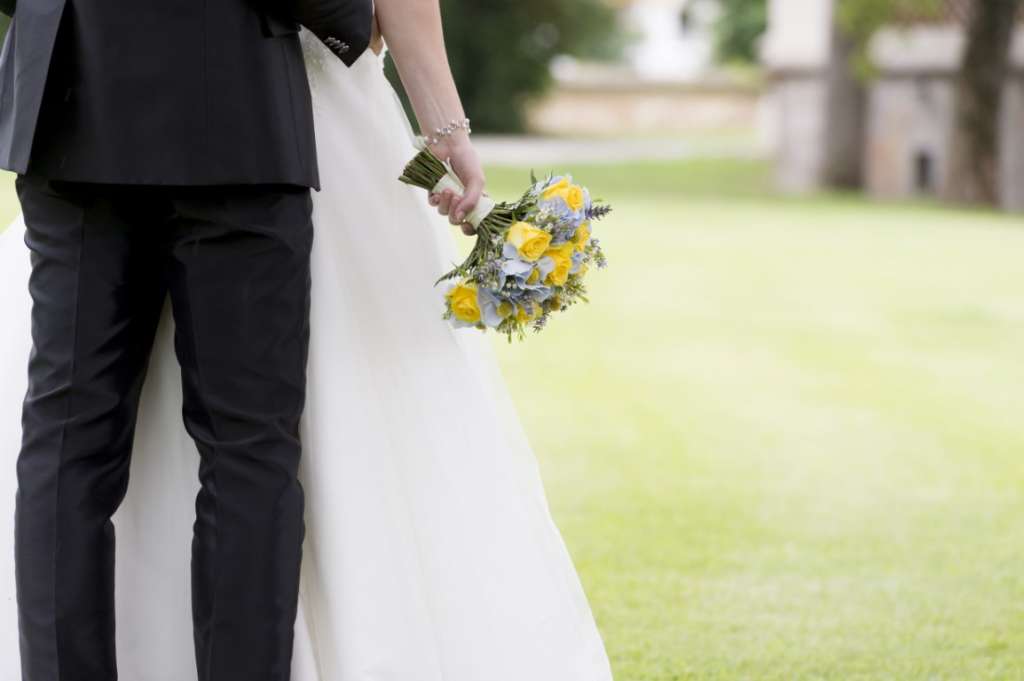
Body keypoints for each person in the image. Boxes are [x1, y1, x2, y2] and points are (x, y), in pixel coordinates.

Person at [0, 0, 614, 679]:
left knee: (67, 440)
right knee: (247, 447)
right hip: (233, 107)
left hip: (74, 96)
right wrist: (435, 112)